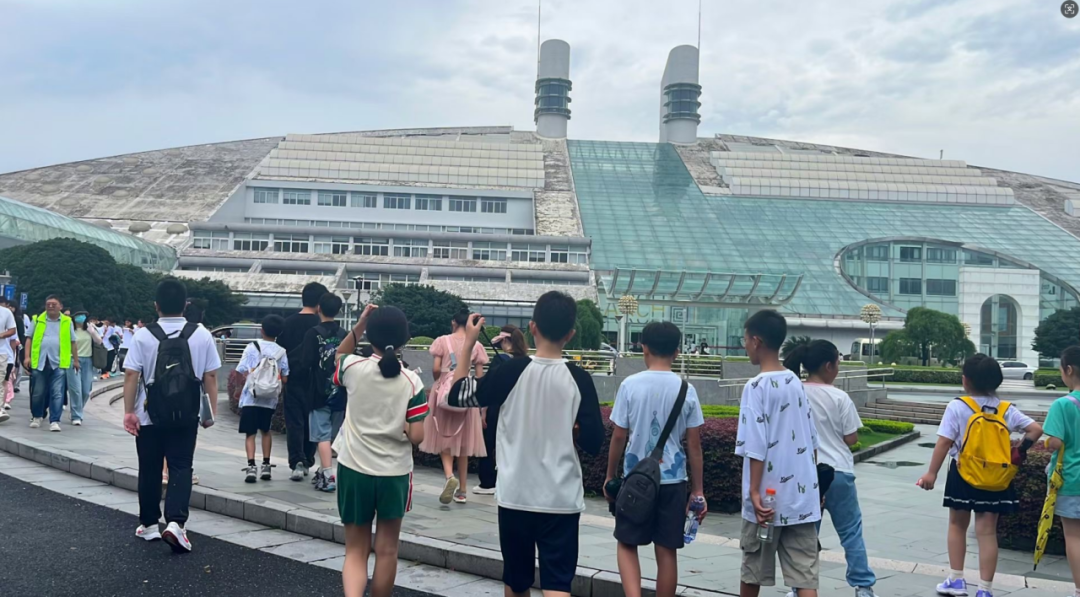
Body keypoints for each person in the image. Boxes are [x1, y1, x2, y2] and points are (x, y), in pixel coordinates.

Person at [446, 291, 605, 597]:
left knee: (517, 581)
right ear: (570, 334)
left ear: (533, 327)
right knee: (557, 584)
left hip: (516, 495)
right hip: (561, 498)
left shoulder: (511, 370)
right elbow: (594, 441)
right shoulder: (580, 379)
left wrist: (469, 344)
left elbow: (458, 395)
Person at [916, 354, 1043, 597]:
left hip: (963, 472)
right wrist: (1018, 451)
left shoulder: (958, 406)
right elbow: (1035, 429)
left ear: (965, 380)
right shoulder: (1005, 409)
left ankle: (956, 580)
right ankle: (985, 589)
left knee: (957, 525)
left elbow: (944, 443)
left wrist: (931, 473)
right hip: (996, 476)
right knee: (987, 532)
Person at [604, 321, 706, 597]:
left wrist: (610, 476)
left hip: (636, 480)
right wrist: (697, 490)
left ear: (644, 348)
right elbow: (694, 446)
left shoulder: (630, 385)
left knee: (627, 543)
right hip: (673, 481)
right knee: (667, 551)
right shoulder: (687, 390)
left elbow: (618, 436)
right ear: (676, 352)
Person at [333, 304, 427, 597]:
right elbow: (418, 437)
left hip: (353, 468)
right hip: (394, 474)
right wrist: (403, 425)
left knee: (355, 550)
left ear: (369, 335)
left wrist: (360, 323)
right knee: (387, 550)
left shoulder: (352, 368)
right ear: (404, 339)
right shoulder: (412, 381)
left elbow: (338, 354)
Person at [122, 279, 220, 553]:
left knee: (150, 467)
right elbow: (211, 376)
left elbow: (131, 374)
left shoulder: (143, 335)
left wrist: (129, 412)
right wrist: (209, 412)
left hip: (149, 414)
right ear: (185, 305)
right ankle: (176, 523)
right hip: (186, 413)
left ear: (156, 305)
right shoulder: (201, 334)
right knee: (181, 465)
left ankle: (149, 525)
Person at [736, 310, 821, 597]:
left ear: (756, 341)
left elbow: (755, 445)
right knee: (805, 577)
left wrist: (754, 492)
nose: (745, 345)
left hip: (767, 500)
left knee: (753, 572)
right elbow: (811, 439)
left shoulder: (755, 387)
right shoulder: (795, 382)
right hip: (801, 498)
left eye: (745, 340)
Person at [783, 340, 877, 597]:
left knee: (805, 535)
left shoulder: (795, 393)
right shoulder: (840, 397)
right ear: (828, 366)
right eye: (838, 363)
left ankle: (799, 588)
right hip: (839, 472)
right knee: (851, 531)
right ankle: (863, 587)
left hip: (805, 473)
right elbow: (851, 438)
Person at [420, 309, 489, 504]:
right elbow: (480, 376)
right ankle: (463, 491)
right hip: (465, 398)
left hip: (443, 396)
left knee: (443, 438)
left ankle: (450, 476)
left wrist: (441, 380)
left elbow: (435, 369)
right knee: (464, 444)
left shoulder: (442, 341)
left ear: (453, 322)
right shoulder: (477, 345)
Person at [278, 282, 329, 481]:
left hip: (292, 378)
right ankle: (308, 459)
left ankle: (296, 461)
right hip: (315, 380)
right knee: (312, 420)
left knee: (294, 421)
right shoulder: (321, 326)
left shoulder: (287, 323)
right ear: (320, 303)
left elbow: (280, 352)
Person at [299, 292, 346, 493]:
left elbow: (305, 363)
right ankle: (322, 470)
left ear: (319, 308)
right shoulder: (345, 334)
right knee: (333, 436)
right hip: (341, 391)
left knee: (322, 436)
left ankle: (328, 475)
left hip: (319, 392)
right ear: (339, 310)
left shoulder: (313, 333)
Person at [475, 324, 528, 495]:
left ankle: (487, 482)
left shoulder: (500, 361)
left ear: (505, 340)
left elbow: (489, 387)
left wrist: (483, 412)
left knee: (489, 443)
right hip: (518, 408)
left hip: (497, 407)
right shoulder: (525, 361)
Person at [1044, 346, 1080, 597]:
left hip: (1072, 479)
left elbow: (1054, 442)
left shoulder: (1063, 405)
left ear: (1068, 369)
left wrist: (1047, 440)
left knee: (1074, 536)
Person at [235, 315, 289, 483]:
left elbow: (241, 370)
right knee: (266, 431)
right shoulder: (281, 351)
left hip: (251, 397)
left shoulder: (252, 347)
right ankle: (266, 465)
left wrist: (241, 387)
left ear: (262, 330)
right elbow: (285, 377)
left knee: (250, 433)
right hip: (269, 400)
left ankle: (251, 467)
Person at [25, 295, 79, 432]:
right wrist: (27, 357)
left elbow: (73, 342)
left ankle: (55, 420)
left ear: (61, 306)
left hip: (59, 362)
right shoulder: (37, 319)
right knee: (37, 392)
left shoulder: (67, 321)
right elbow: (29, 339)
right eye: (48, 304)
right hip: (39, 361)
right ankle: (37, 416)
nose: (50, 306)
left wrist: (76, 360)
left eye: (54, 304)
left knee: (57, 393)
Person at [71, 310, 104, 426]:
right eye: (78, 315)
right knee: (76, 389)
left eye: (83, 315)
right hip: (73, 360)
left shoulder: (90, 328)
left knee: (86, 390)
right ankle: (76, 415)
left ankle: (78, 409)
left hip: (88, 360)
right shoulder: (71, 329)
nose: (81, 317)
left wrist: (92, 332)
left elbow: (99, 341)